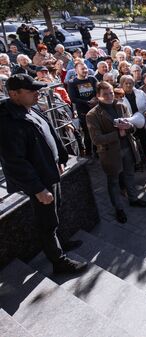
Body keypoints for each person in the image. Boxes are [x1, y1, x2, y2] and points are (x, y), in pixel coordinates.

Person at [0, 74, 87, 274]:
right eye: (31, 91)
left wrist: (61, 159)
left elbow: (49, 134)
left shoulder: (30, 108)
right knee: (46, 223)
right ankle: (59, 262)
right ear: (14, 94)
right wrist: (38, 189)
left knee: (55, 213)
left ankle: (61, 242)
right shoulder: (7, 123)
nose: (37, 94)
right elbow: (15, 162)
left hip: (51, 172)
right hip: (39, 181)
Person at [87, 81, 146, 223]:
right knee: (114, 182)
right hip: (110, 154)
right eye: (105, 94)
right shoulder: (92, 115)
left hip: (127, 148)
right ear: (98, 96)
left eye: (111, 92)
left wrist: (129, 127)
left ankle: (133, 199)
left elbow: (133, 128)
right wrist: (118, 134)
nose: (110, 96)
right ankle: (119, 208)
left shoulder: (121, 106)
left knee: (129, 175)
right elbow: (96, 139)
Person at [67, 62, 98, 156]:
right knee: (88, 133)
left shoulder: (92, 79)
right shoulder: (72, 82)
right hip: (83, 111)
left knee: (97, 130)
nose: (85, 70)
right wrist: (87, 102)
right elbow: (73, 98)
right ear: (76, 71)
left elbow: (99, 90)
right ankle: (88, 153)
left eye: (86, 68)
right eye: (82, 69)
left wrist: (96, 98)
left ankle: (97, 152)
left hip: (96, 109)